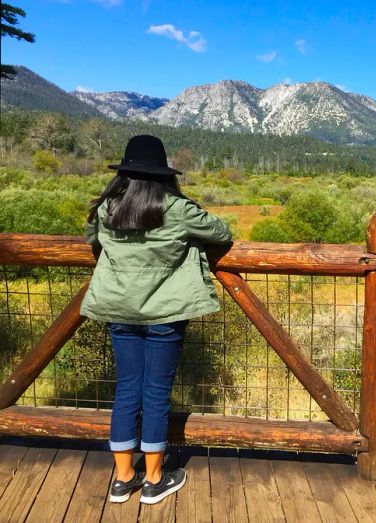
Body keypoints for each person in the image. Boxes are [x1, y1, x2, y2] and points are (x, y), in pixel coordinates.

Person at [80, 135, 232, 505]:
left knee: (127, 390)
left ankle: (122, 479)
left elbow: (93, 241)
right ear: (164, 174)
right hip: (166, 313)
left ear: (124, 173)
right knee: (156, 394)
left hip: (119, 311)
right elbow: (222, 233)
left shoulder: (107, 209)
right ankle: (153, 480)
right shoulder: (177, 208)